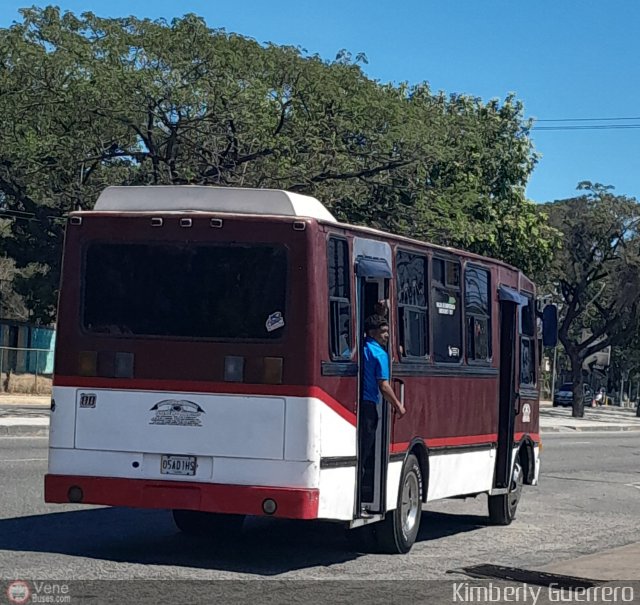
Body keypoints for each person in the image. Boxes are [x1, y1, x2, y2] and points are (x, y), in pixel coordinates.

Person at [360, 314, 406, 506]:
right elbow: (384, 386)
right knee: (366, 452)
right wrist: (398, 405)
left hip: (354, 407)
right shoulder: (380, 354)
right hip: (369, 407)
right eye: (384, 332)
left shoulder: (359, 348)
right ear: (373, 332)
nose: (387, 335)